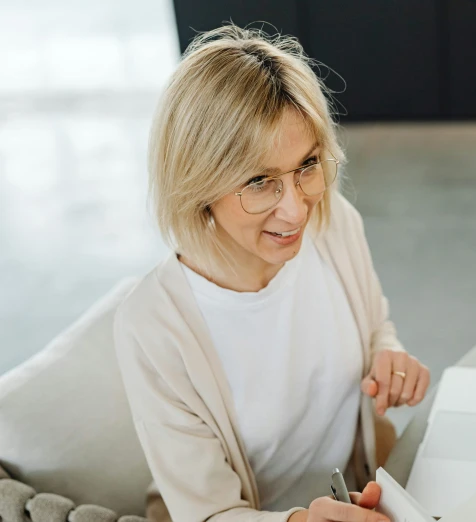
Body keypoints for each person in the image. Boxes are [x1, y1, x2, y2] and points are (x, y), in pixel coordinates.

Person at [114, 23, 430, 522]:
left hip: (357, 498)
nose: (297, 210)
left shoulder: (334, 224)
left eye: (307, 165)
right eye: (260, 181)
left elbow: (375, 327)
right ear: (197, 183)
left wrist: (386, 354)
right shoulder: (154, 325)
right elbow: (209, 513)